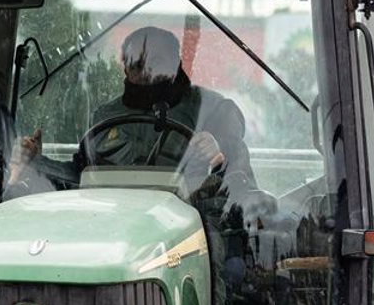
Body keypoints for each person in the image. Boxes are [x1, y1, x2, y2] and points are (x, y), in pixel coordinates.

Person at [80, 26, 259, 201]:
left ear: (176, 62)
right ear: (126, 68)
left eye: (155, 62)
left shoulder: (214, 111)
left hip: (195, 217)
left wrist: (218, 151)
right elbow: (77, 174)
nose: (146, 71)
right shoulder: (104, 117)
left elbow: (240, 184)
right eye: (137, 63)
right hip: (113, 216)